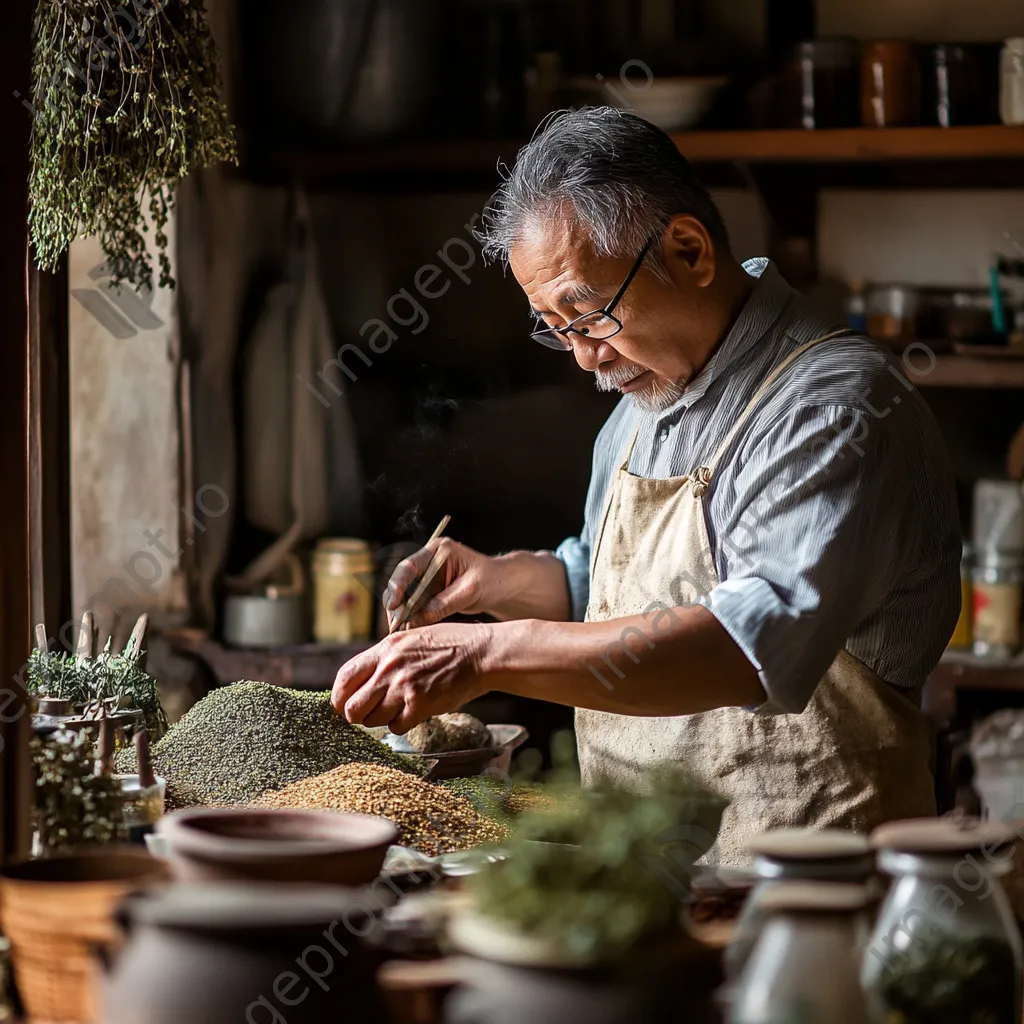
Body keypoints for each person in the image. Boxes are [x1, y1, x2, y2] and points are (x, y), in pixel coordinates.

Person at [331, 107, 960, 864]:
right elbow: (602, 589)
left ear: (689, 250)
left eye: (589, 315)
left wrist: (484, 655)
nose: (584, 358)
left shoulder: (834, 413)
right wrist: (491, 582)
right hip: (642, 875)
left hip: (808, 890)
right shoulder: (639, 408)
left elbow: (740, 648)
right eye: (555, 327)